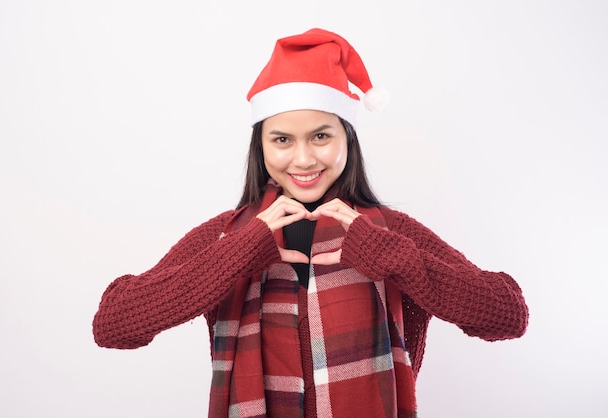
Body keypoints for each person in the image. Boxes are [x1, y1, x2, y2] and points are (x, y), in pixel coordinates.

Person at [93, 28, 529, 418]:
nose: (303, 159)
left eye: (321, 136)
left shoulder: (390, 233)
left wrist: (393, 258)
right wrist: (235, 255)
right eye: (282, 139)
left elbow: (505, 314)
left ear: (347, 138)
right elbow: (115, 324)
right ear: (260, 146)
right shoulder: (229, 235)